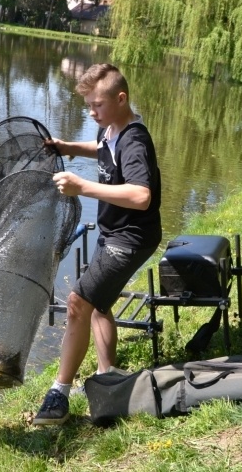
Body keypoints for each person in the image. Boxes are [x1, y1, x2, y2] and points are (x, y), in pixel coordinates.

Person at [34, 63, 162, 426]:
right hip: (115, 232)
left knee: (78, 303)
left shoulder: (135, 139)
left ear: (121, 99)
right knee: (100, 303)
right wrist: (68, 146)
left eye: (98, 105)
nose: (92, 112)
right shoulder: (111, 128)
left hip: (131, 238)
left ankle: (59, 394)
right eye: (88, 105)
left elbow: (140, 196)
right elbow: (104, 148)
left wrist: (82, 187)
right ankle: (109, 375)